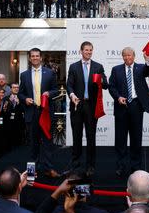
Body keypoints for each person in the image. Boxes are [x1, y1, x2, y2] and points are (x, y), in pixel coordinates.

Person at [109, 47, 149, 175]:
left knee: (136, 138)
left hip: (136, 106)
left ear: (134, 56)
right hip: (121, 107)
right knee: (120, 139)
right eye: (125, 55)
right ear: (122, 57)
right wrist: (118, 97)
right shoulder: (116, 69)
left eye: (130, 55)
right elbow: (111, 86)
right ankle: (121, 166)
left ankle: (136, 166)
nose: (127, 58)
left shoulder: (141, 68)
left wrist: (148, 60)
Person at [66, 41, 109, 176]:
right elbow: (69, 85)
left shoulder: (98, 67)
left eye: (91, 50)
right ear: (81, 51)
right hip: (77, 105)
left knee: (91, 138)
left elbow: (106, 85)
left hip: (91, 106)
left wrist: (102, 81)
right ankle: (75, 165)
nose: (89, 52)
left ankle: (90, 166)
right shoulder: (73, 67)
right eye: (86, 50)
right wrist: (72, 95)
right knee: (76, 136)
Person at [18, 48, 59, 178]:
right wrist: (25, 99)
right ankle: (31, 172)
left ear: (41, 58)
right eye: (33, 56)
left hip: (45, 112)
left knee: (47, 142)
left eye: (37, 56)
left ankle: (48, 169)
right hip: (32, 112)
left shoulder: (50, 73)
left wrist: (49, 93)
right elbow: (20, 93)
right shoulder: (24, 75)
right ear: (30, 59)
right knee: (32, 144)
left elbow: (56, 90)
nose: (35, 58)